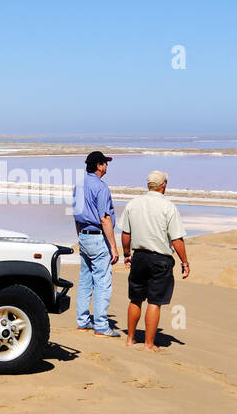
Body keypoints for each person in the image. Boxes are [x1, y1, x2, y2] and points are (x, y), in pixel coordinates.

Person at [119, 170, 190, 351]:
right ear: (163, 185)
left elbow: (126, 234)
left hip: (139, 256)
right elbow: (176, 239)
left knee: (135, 299)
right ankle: (149, 344)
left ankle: (130, 339)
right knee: (154, 301)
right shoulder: (168, 207)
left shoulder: (133, 204)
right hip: (160, 258)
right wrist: (185, 262)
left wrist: (127, 254)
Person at [71, 150, 121, 336]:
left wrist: (79, 237)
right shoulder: (101, 187)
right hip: (98, 237)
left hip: (84, 235)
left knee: (85, 280)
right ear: (99, 166)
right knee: (102, 282)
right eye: (105, 163)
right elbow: (104, 218)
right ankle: (101, 325)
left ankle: (82, 320)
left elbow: (76, 215)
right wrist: (114, 247)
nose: (107, 166)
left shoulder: (79, 185)